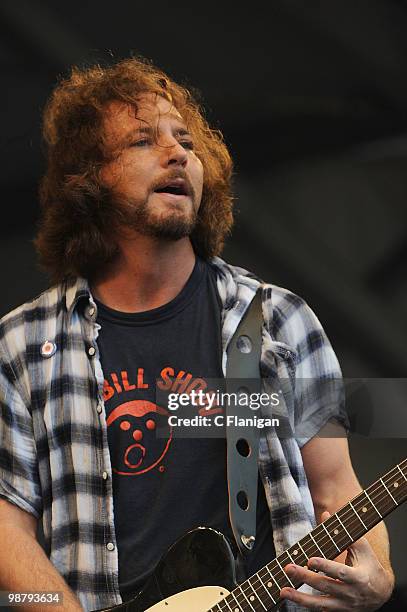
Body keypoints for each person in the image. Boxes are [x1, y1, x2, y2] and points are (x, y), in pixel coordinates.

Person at [0, 57, 394, 612]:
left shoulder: (278, 321)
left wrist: (379, 580)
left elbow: (337, 490)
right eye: (143, 140)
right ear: (89, 181)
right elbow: (7, 533)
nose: (177, 153)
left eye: (185, 140)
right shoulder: (22, 346)